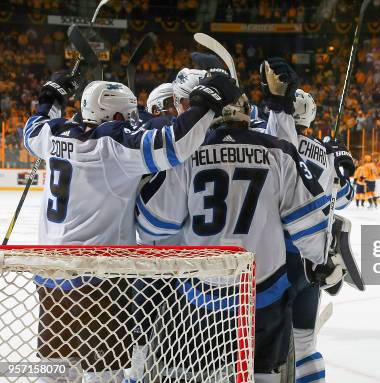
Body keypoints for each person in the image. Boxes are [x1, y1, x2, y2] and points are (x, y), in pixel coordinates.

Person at [23, 67, 241, 381]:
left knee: (56, 371)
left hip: (49, 276)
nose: (131, 124)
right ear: (114, 118)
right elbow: (175, 142)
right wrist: (207, 102)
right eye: (126, 118)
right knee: (105, 374)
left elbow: (33, 127)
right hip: (99, 279)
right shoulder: (113, 146)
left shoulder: (52, 133)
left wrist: (50, 96)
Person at [136, 63, 340, 382]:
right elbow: (310, 224)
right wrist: (322, 259)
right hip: (265, 290)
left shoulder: (186, 154)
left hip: (202, 292)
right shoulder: (278, 151)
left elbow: (152, 226)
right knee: (264, 371)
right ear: (246, 111)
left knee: (189, 370)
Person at [261, 59, 356, 381]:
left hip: (273, 257)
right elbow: (344, 198)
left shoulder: (267, 142)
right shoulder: (325, 152)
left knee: (262, 348)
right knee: (305, 343)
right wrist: (337, 160)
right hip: (312, 259)